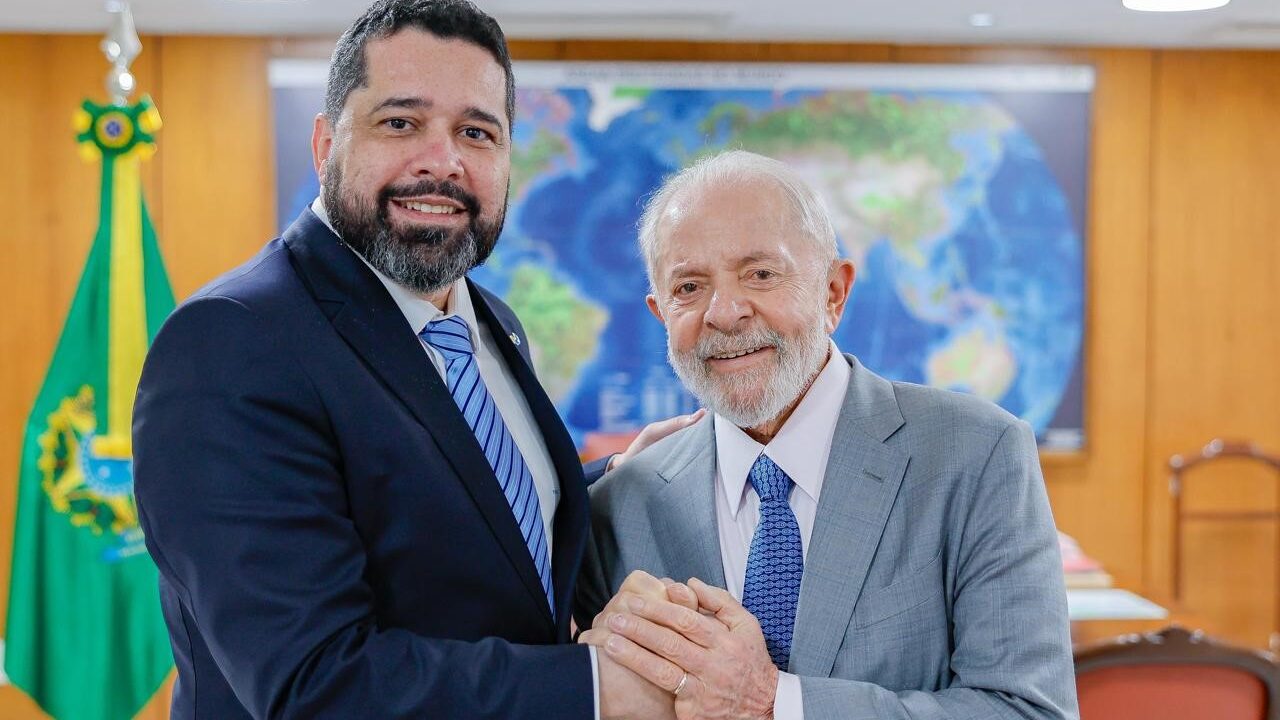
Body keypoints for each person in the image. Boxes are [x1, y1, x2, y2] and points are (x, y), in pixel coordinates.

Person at [132, 1, 688, 717]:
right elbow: (316, 683)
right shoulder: (232, 342)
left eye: (476, 132)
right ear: (326, 144)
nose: (443, 161)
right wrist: (597, 687)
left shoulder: (490, 322)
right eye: (400, 122)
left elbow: (450, 512)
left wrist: (609, 479)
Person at [575, 151, 1079, 720]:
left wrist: (774, 703)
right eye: (689, 287)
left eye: (761, 274)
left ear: (833, 293)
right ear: (660, 314)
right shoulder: (619, 508)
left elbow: (1028, 711)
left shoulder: (976, 453)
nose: (725, 312)